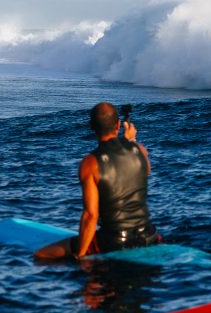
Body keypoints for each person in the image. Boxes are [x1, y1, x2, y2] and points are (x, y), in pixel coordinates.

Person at [36, 102, 160, 260]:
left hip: (114, 241)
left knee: (41, 255)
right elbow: (146, 170)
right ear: (118, 125)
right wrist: (131, 140)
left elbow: (90, 215)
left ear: (91, 126)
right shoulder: (139, 150)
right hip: (149, 235)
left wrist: (80, 255)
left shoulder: (90, 163)